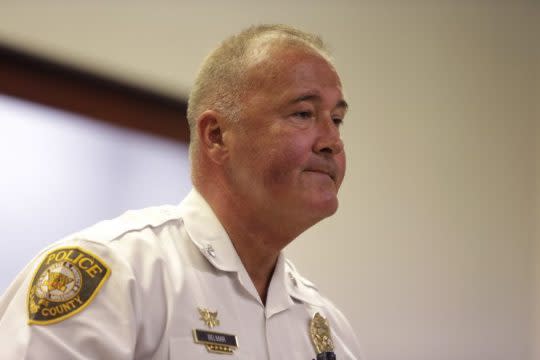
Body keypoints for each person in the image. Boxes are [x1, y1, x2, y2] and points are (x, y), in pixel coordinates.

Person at [0, 24, 362, 359]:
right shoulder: (117, 274)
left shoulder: (327, 327)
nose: (332, 141)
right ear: (216, 136)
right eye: (303, 114)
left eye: (337, 119)